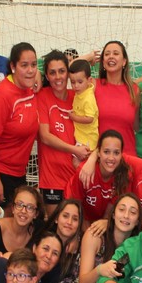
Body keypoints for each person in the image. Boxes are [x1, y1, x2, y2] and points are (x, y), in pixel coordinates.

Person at [0, 42, 40, 202]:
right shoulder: (2, 96)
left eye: (34, 65)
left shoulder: (30, 90)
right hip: (0, 173)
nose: (30, 70)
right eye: (24, 65)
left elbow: (60, 74)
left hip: (19, 173)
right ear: (13, 66)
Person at [36, 51, 88, 212]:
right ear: (47, 76)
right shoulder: (42, 96)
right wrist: (74, 150)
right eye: (52, 72)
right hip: (52, 179)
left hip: (77, 176)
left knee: (76, 224)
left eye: (62, 71)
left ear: (68, 73)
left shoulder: (79, 96)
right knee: (55, 224)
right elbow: (45, 136)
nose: (58, 77)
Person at [65, 130, 133, 223]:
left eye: (116, 153)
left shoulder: (124, 175)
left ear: (121, 155)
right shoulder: (85, 172)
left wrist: (102, 225)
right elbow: (75, 208)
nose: (111, 158)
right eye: (106, 152)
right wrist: (87, 229)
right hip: (78, 213)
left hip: (100, 217)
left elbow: (108, 214)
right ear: (98, 153)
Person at [93, 40, 139, 152]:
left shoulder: (135, 90)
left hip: (128, 157)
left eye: (116, 53)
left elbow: (137, 126)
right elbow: (69, 72)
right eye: (107, 54)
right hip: (100, 157)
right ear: (103, 62)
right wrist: (88, 57)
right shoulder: (93, 85)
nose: (111, 56)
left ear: (124, 62)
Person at [0, 184, 45, 255]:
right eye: (19, 205)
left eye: (30, 207)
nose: (23, 211)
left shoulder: (39, 231)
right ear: (13, 208)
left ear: (36, 214)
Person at [67, 58, 99, 150]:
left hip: (87, 139)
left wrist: (74, 117)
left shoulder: (88, 98)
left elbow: (89, 118)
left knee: (78, 158)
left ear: (89, 80)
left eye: (80, 82)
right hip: (80, 136)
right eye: (73, 82)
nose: (76, 85)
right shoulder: (81, 92)